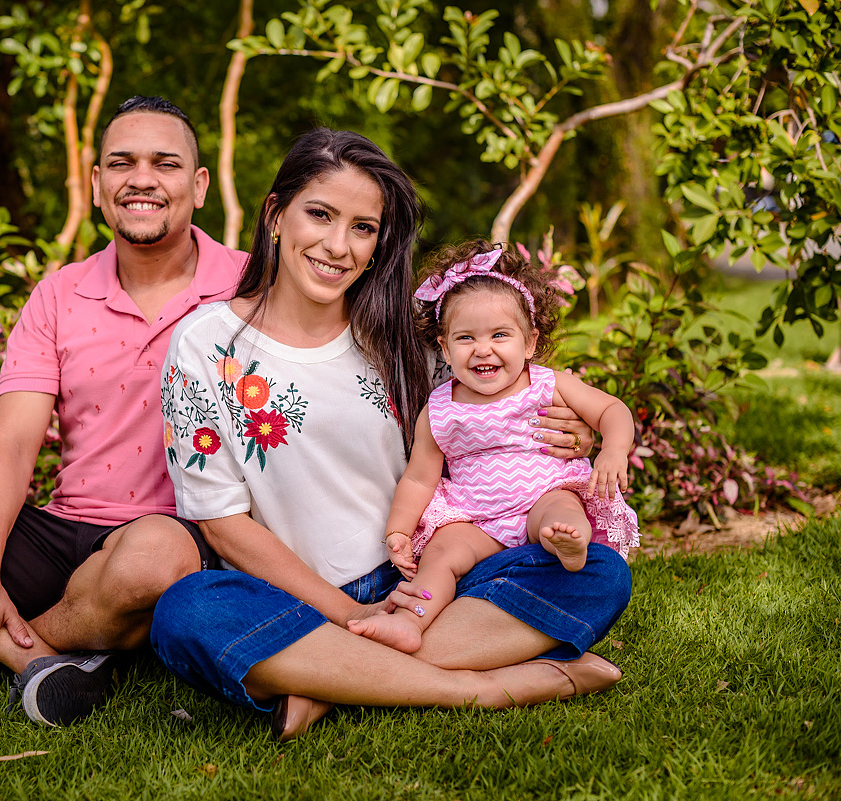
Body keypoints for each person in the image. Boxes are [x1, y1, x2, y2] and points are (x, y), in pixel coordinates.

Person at [151, 128, 630, 742]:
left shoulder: (407, 337)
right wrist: (352, 613)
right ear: (275, 215)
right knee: (189, 610)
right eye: (319, 215)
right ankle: (475, 688)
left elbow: (500, 417)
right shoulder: (204, 345)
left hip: (431, 579)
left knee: (598, 570)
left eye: (363, 227)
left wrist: (573, 438)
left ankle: (331, 681)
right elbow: (221, 523)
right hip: (294, 598)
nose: (337, 245)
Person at [0, 96, 251, 727]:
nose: (141, 179)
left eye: (164, 163)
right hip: (64, 531)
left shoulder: (251, 289)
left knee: (152, 557)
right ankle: (38, 651)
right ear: (97, 184)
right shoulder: (60, 293)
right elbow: (11, 444)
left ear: (198, 186)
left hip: (177, 536)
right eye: (122, 162)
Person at [347, 240, 640, 655]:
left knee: (560, 511)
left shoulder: (547, 384)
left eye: (500, 335)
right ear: (446, 349)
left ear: (530, 342)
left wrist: (613, 449)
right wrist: (398, 529)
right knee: (442, 554)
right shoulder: (441, 408)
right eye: (466, 338)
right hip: (475, 515)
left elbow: (611, 409)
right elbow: (418, 477)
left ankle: (567, 544)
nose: (483, 349)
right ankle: (411, 622)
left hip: (543, 492)